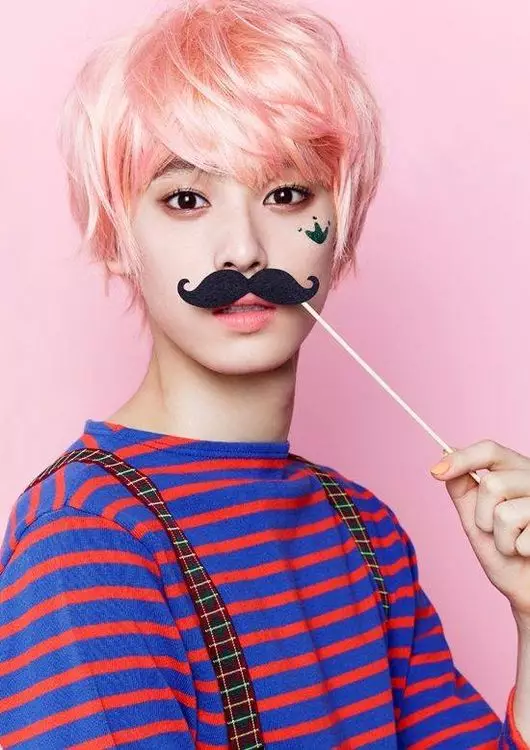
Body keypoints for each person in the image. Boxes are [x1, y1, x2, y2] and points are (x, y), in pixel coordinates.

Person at [0, 0, 529, 747]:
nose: (244, 250)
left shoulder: (365, 532)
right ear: (118, 238)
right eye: (186, 199)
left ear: (339, 227)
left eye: (286, 195)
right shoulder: (90, 537)